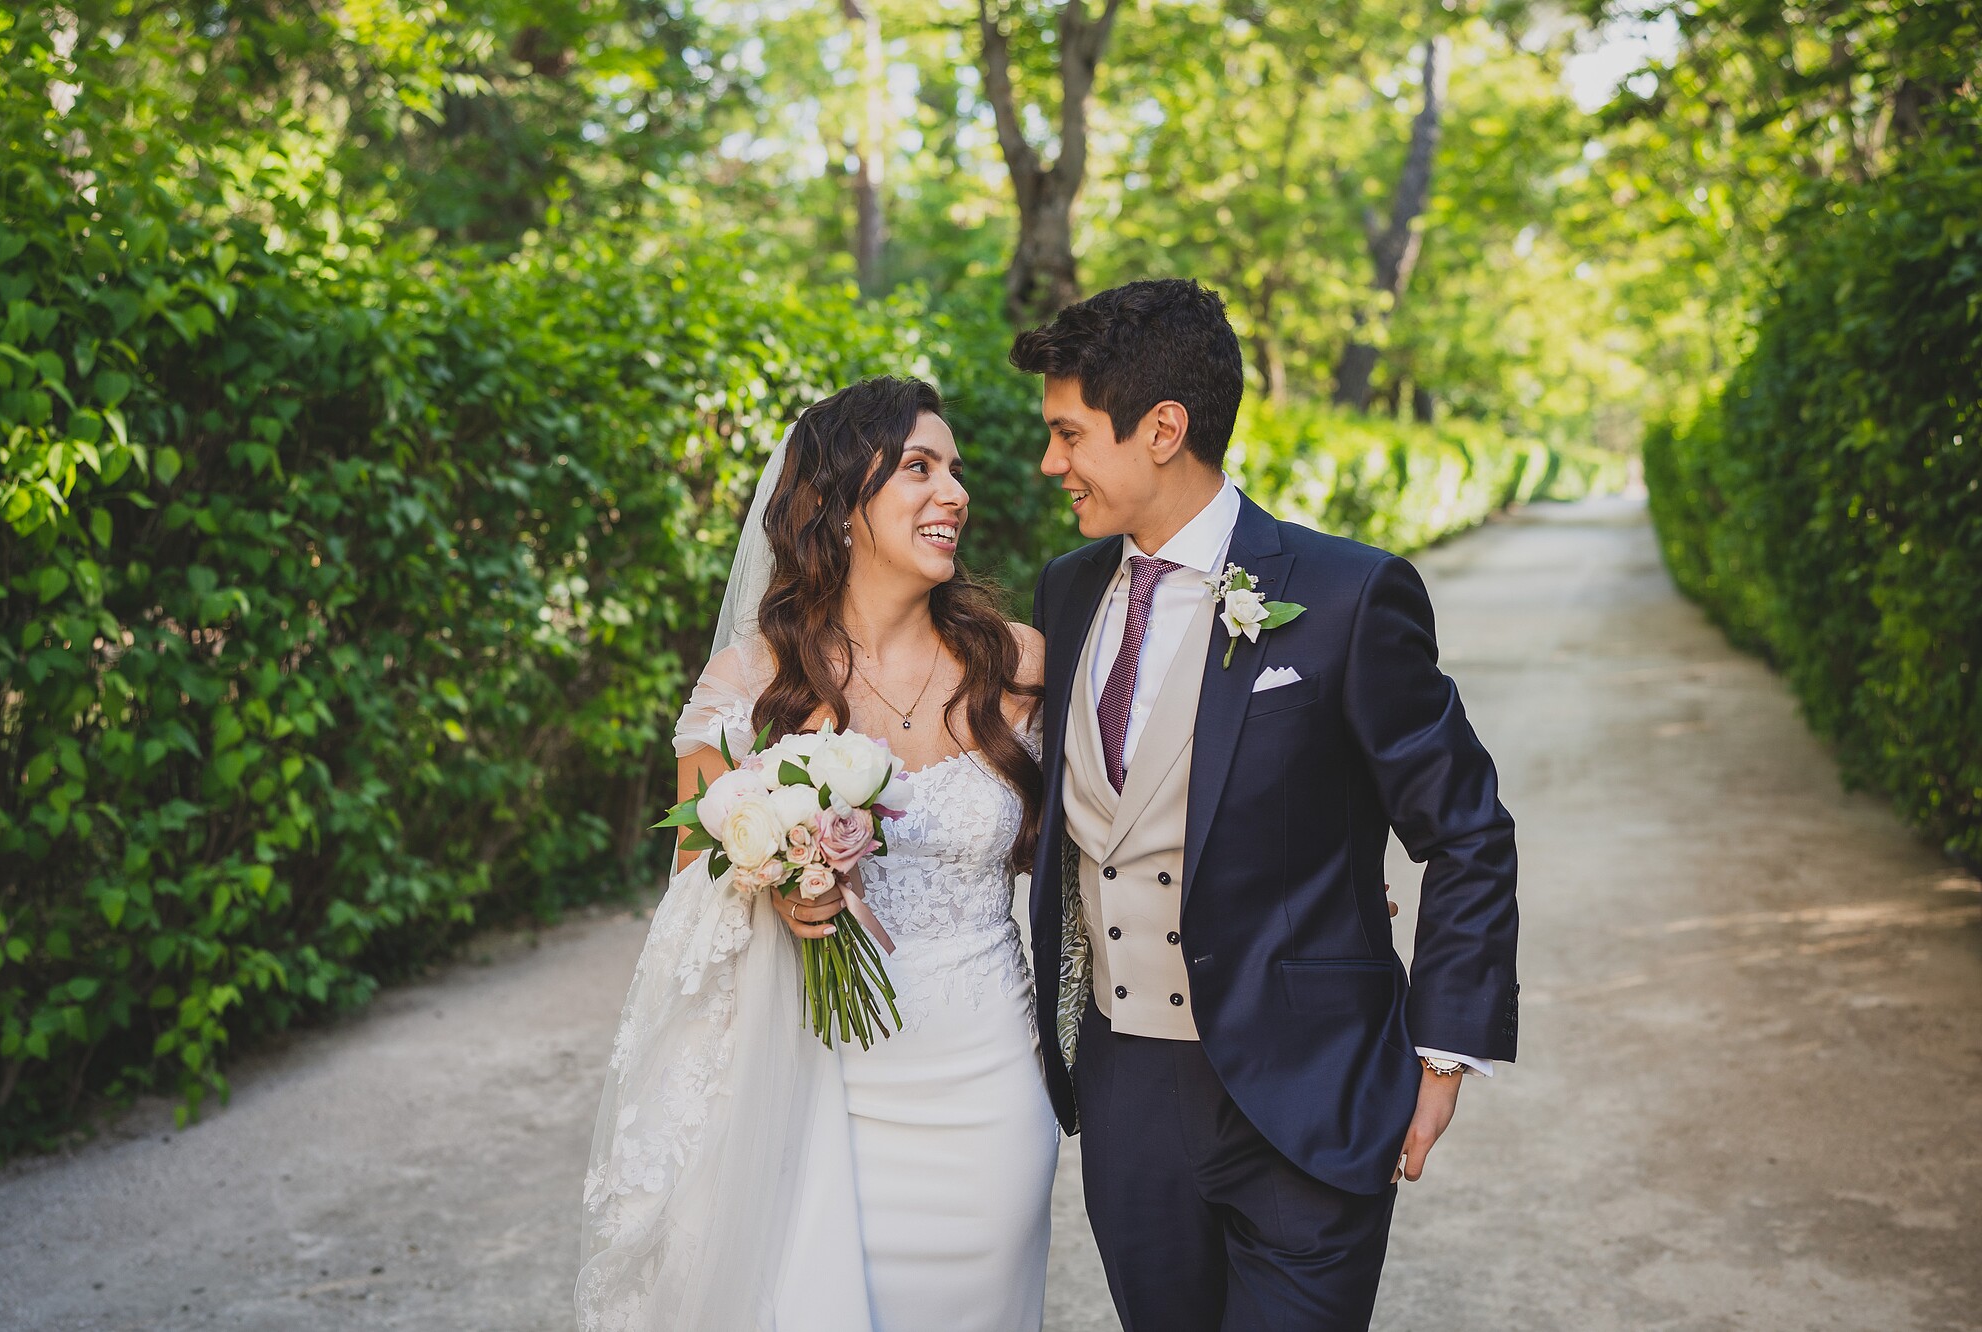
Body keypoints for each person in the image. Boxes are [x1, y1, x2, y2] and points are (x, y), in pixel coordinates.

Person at [1014, 278, 1520, 1332]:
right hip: (1124, 1094)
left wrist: (1443, 1048)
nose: (1050, 463)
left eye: (1068, 435)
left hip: (1307, 1088)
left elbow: (1465, 830)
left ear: (1162, 429)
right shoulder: (1064, 592)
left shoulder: (1345, 595)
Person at [576, 377, 1058, 1332]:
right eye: (919, 467)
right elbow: (692, 914)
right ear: (839, 506)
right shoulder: (750, 684)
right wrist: (775, 887)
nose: (955, 492)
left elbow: (1105, 850)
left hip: (988, 1079)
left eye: (955, 470)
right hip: (818, 1078)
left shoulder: (1020, 663)